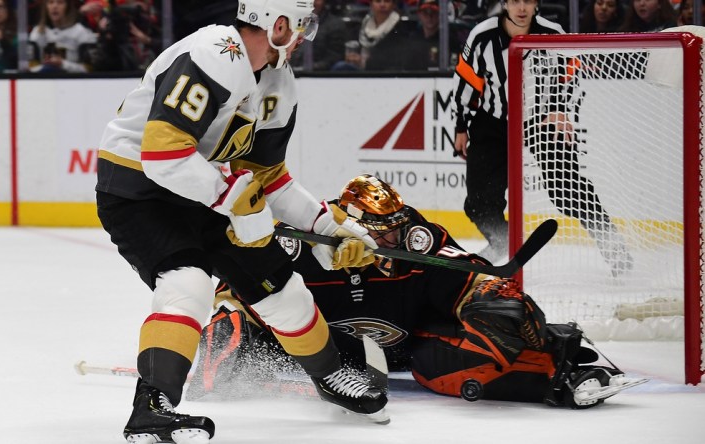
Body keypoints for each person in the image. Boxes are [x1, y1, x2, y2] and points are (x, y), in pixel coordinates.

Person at [95, 2, 389, 442]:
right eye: (301, 22)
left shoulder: (278, 81)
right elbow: (162, 154)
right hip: (139, 189)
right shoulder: (214, 53)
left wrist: (328, 226)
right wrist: (231, 199)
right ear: (278, 22)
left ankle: (330, 378)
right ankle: (151, 406)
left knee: (284, 292)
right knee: (187, 283)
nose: (306, 33)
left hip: (208, 191)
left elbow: (270, 180)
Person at [189, 175, 641, 409]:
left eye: (397, 227)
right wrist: (226, 326)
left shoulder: (416, 239)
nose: (395, 239)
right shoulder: (298, 246)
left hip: (409, 348)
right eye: (382, 233)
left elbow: (472, 277)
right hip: (317, 352)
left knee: (472, 351)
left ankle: (561, 372)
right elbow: (233, 290)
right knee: (236, 321)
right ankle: (211, 374)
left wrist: (491, 294)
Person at [452, 0, 563, 263]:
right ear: (504, 4)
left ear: (536, 3)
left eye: (527, 0)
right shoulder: (482, 36)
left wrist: (562, 109)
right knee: (478, 202)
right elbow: (466, 84)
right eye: (514, 1)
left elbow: (570, 75)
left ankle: (612, 244)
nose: (521, 8)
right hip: (494, 123)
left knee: (566, 189)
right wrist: (461, 126)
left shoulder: (553, 34)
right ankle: (505, 243)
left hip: (542, 120)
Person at [28, 0, 98, 73]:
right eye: (50, 2)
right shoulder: (37, 32)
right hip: (43, 80)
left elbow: (89, 69)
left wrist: (62, 64)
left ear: (68, 7)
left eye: (60, 2)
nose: (54, 6)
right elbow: (31, 67)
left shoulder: (82, 32)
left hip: (73, 80)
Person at [358, 0, 423, 71]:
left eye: (387, 1)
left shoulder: (401, 30)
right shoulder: (361, 27)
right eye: (378, 1)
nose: (382, 5)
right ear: (371, 4)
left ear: (394, 5)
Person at [291, 0, 346, 71]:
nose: (312, 2)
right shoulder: (291, 22)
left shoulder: (335, 25)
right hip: (292, 73)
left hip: (321, 76)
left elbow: (334, 58)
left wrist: (308, 69)